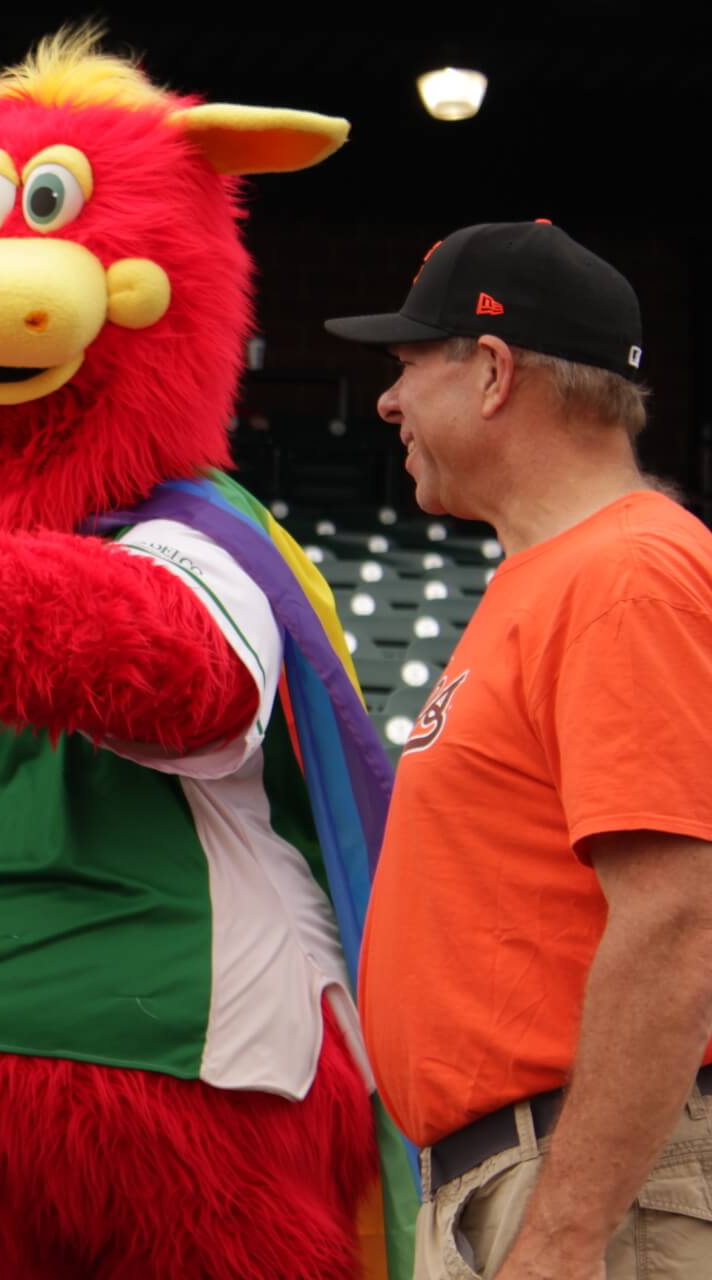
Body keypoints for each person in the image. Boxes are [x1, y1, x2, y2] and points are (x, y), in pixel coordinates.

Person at [327, 221, 712, 1280]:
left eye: (408, 365)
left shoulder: (626, 572)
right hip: (529, 1170)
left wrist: (566, 1228)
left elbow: (678, 917)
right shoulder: (561, 573)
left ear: (492, 370)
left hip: (589, 1181)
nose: (390, 401)